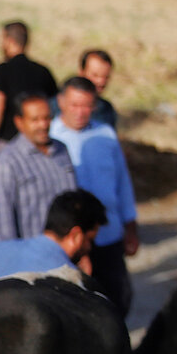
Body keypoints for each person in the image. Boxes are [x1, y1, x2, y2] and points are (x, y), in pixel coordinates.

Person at [49, 75, 138, 315]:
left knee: (118, 299)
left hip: (109, 235)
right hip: (71, 241)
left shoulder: (106, 135)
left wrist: (130, 226)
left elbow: (122, 182)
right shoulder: (51, 137)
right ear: (61, 102)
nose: (80, 112)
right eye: (74, 105)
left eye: (87, 106)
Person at [0, 93, 77, 241]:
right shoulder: (6, 163)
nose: (43, 125)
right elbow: (3, 225)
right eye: (35, 120)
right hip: (31, 256)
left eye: (46, 118)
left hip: (67, 253)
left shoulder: (61, 150)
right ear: (19, 122)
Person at [0, 21, 58, 170]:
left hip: (7, 142)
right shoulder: (43, 71)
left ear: (8, 40)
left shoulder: (2, 70)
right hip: (37, 142)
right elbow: (55, 107)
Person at [80, 49, 118, 129]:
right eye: (95, 75)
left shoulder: (107, 109)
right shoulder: (57, 106)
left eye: (106, 77)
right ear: (81, 73)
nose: (101, 82)